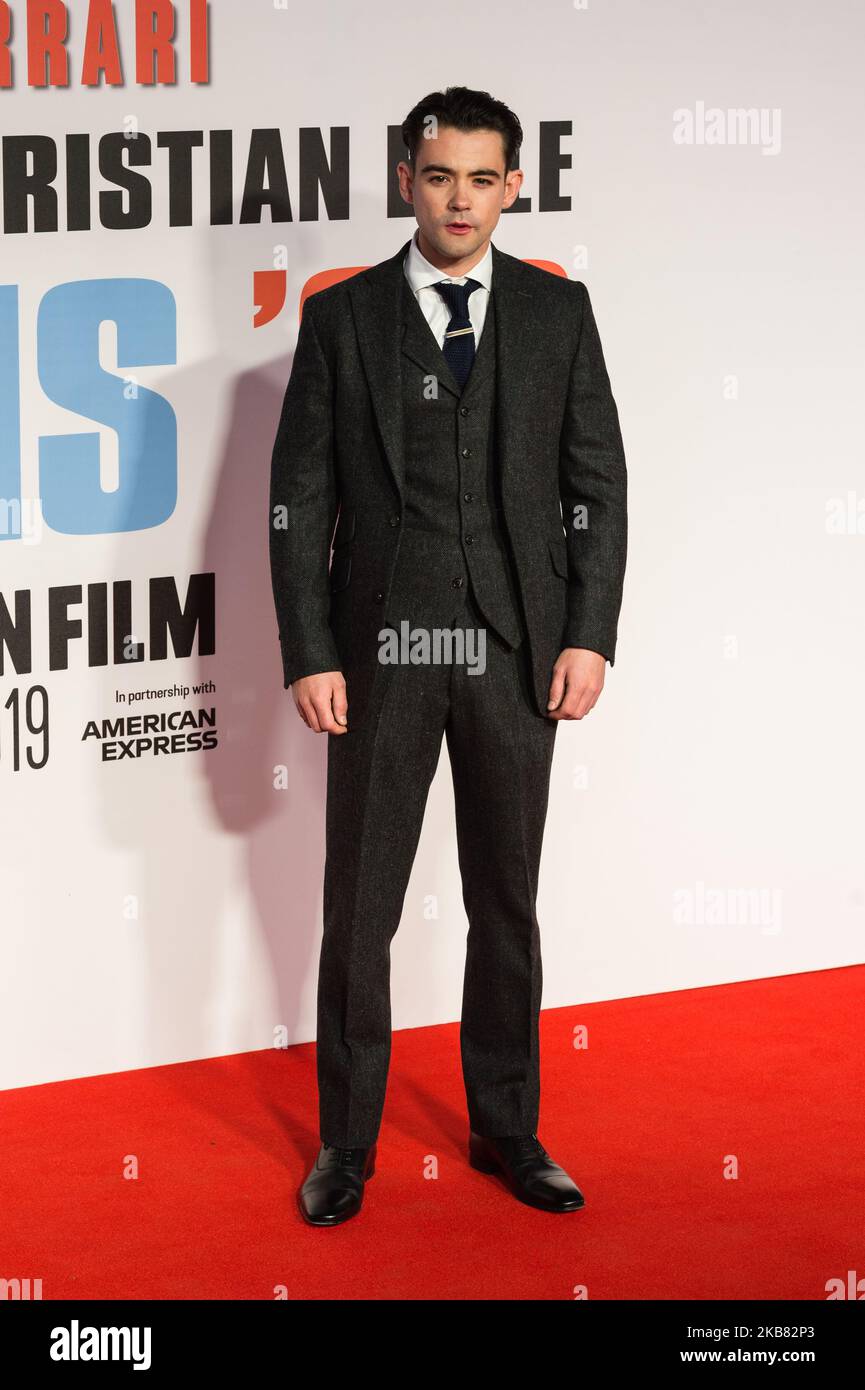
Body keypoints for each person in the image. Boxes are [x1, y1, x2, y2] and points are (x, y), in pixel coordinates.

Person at [269, 86, 628, 1226]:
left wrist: (588, 632)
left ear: (514, 186)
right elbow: (300, 496)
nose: (459, 197)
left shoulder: (556, 314)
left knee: (506, 904)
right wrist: (310, 650)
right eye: (439, 175)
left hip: (517, 649)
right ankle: (346, 1145)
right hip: (381, 650)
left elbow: (597, 488)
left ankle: (509, 1129)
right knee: (358, 910)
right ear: (406, 182)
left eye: (482, 177)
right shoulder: (342, 320)